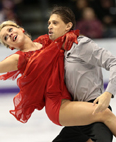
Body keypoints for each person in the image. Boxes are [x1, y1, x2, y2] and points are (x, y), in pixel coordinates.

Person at [0, 20, 116, 141]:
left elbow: (65, 35)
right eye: (6, 37)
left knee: (95, 134)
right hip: (58, 105)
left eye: (10, 30)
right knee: (103, 113)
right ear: (10, 46)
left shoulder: (46, 41)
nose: (10, 34)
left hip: (74, 99)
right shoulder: (19, 58)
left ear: (20, 29)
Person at [47, 6, 115, 142]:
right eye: (48, 23)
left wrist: (108, 93)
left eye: (55, 23)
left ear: (68, 26)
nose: (50, 26)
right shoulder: (58, 52)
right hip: (78, 114)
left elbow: (113, 62)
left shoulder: (81, 44)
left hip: (95, 109)